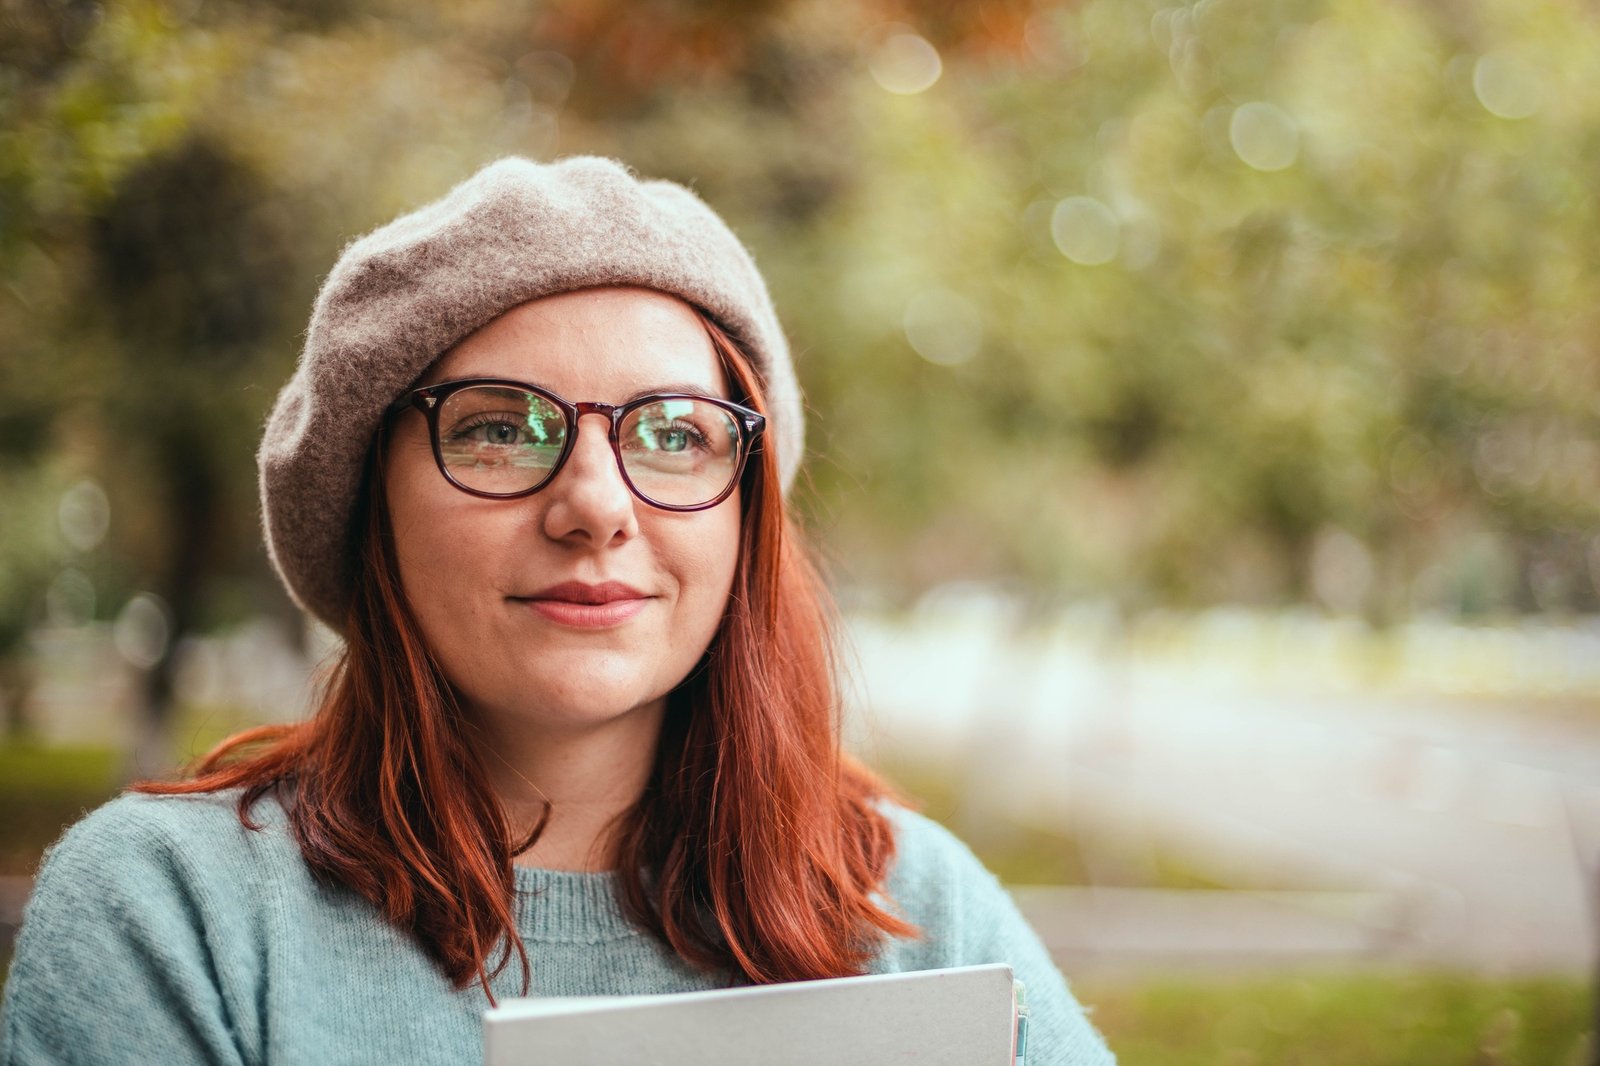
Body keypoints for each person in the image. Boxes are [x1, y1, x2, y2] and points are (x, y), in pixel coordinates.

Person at [0, 157, 1114, 1065]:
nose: (596, 506)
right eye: (499, 427)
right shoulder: (170, 917)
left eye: (673, 433)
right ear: (366, 505)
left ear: (744, 522)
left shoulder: (913, 906)